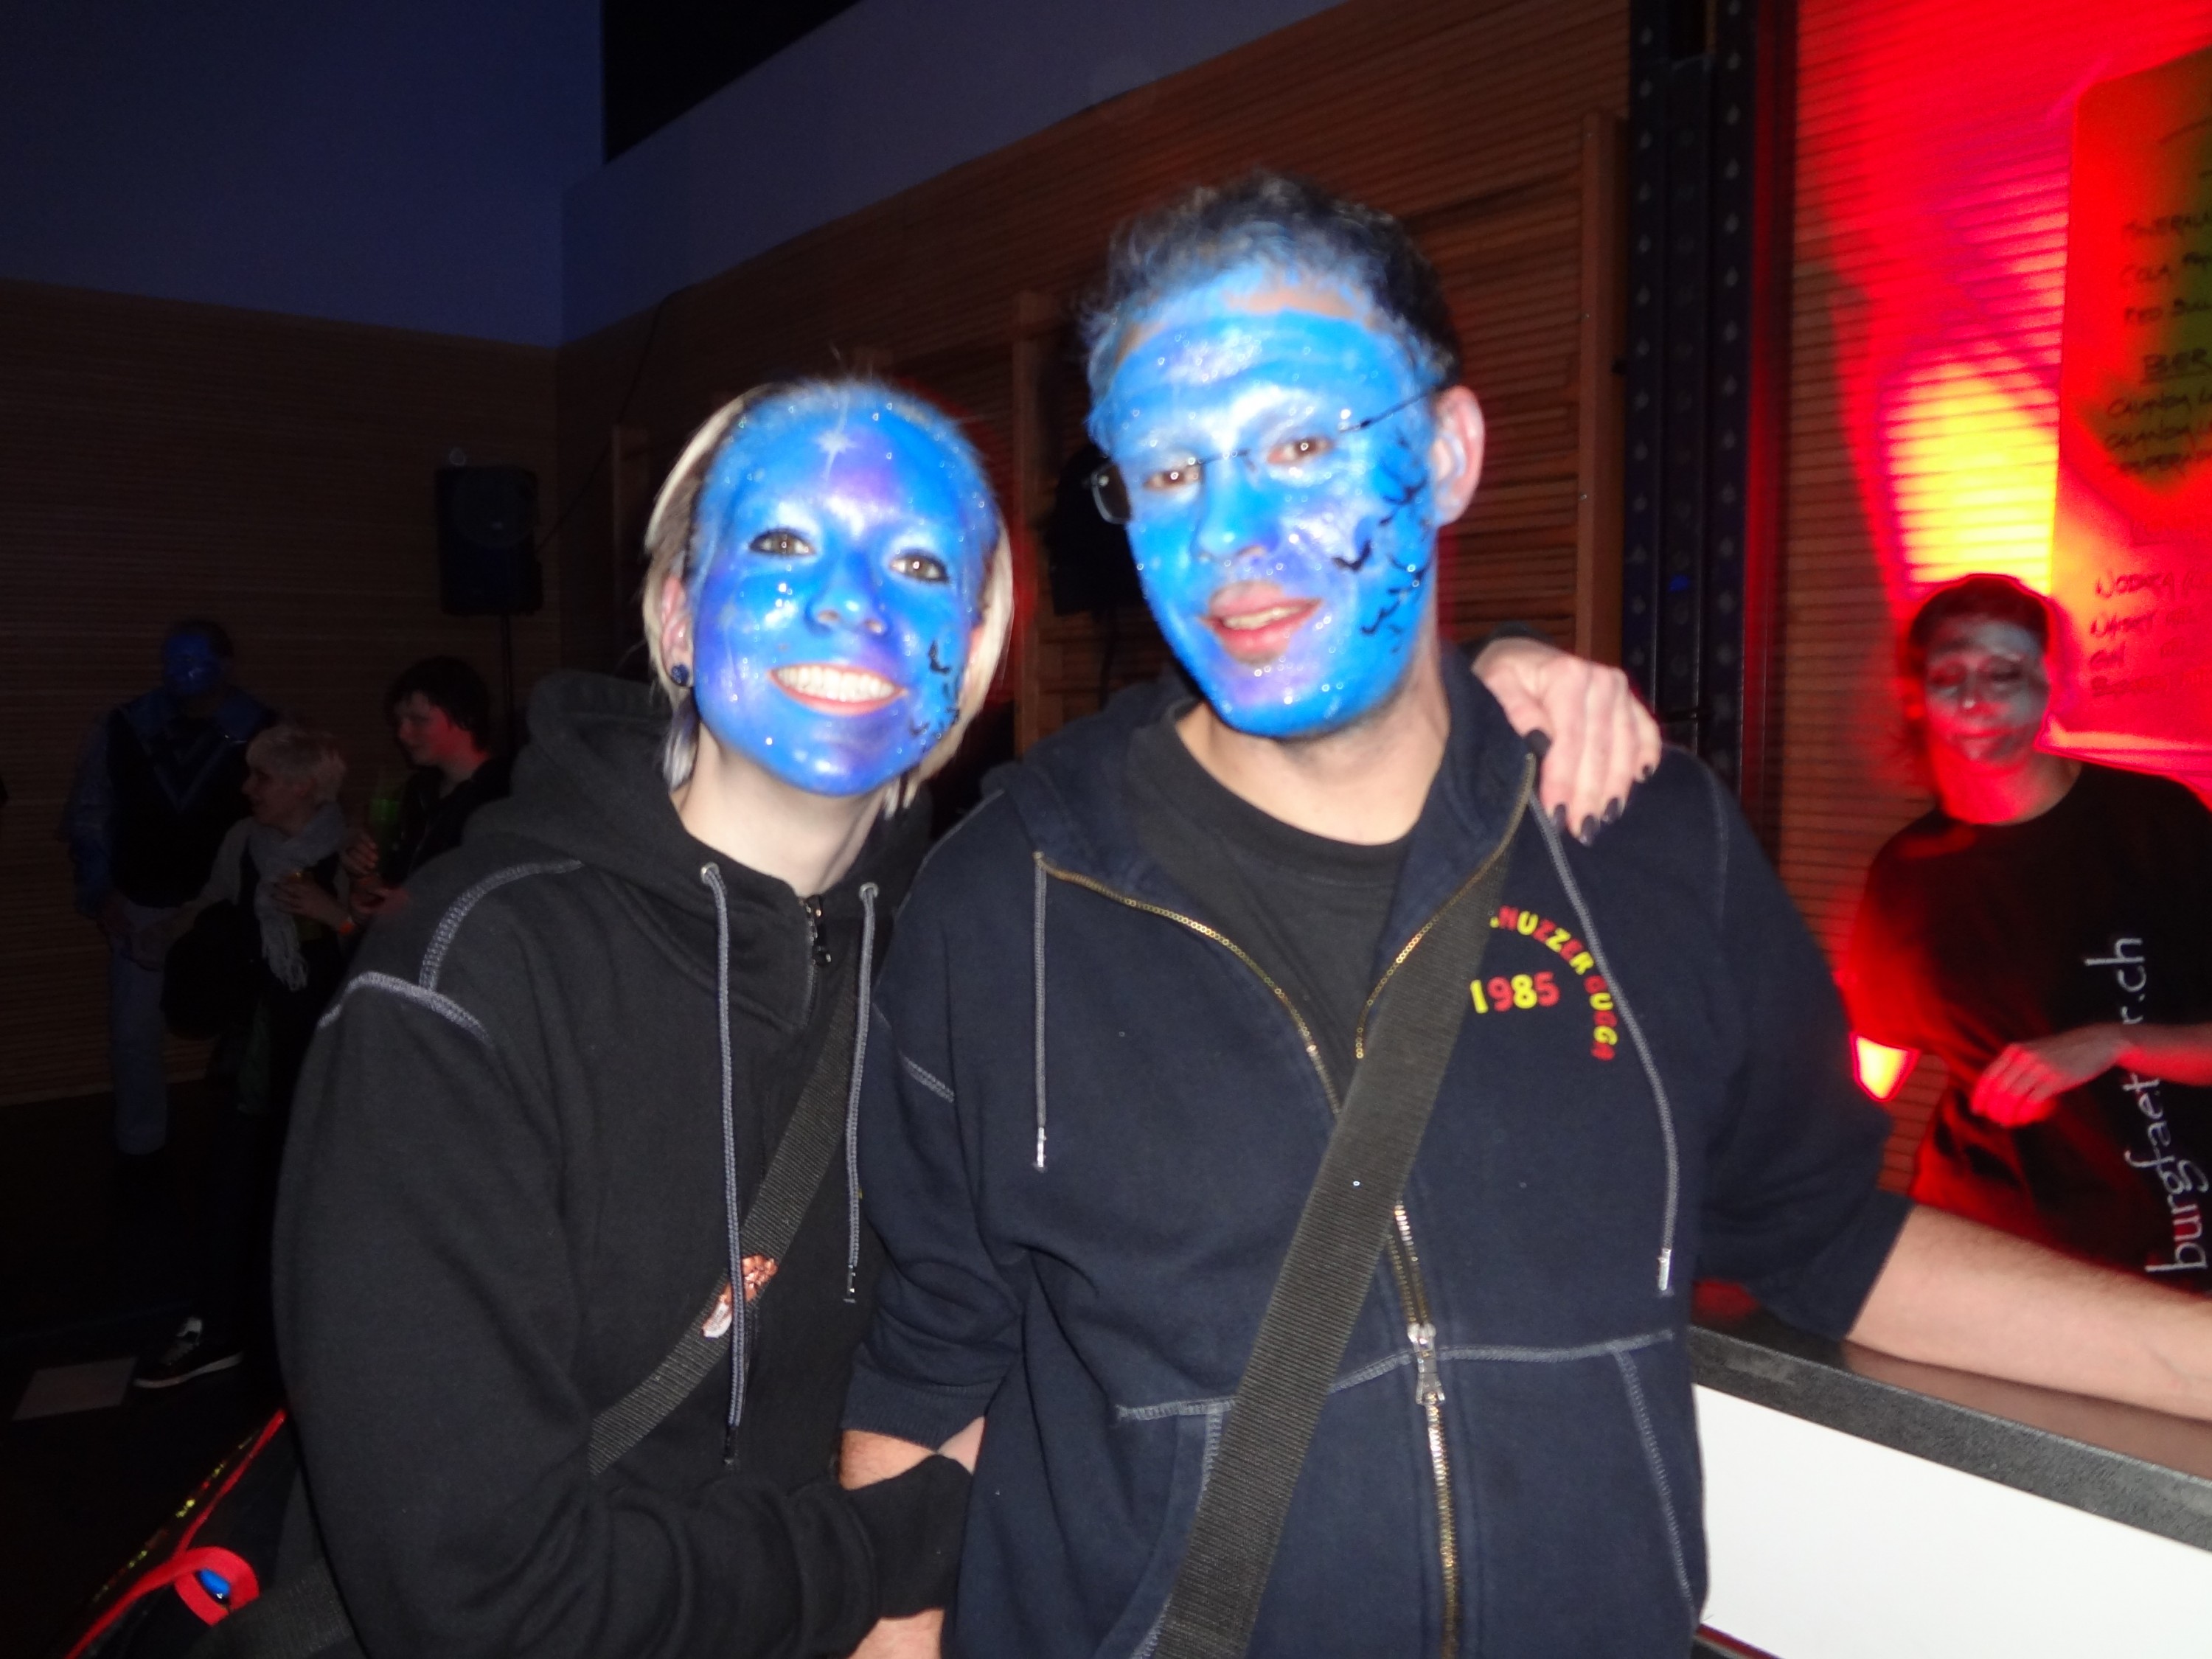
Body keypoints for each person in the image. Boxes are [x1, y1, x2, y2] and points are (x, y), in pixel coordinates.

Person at [838, 174, 2212, 1659]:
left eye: (1300, 445)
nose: (1232, 532)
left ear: (1447, 453)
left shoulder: (1643, 844)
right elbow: (926, 1377)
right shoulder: (1015, 899)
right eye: (1168, 472)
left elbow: (1829, 1236)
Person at [272, 371, 1649, 1659]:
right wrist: (908, 1538)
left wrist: (1469, 676)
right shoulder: (466, 984)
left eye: (922, 568)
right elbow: (483, 1605)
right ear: (678, 617)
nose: (853, 604)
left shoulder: (977, 936)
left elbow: (1204, 760)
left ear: (971, 657)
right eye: (784, 546)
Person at [1846, 574, 2212, 1280]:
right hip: (1980, 1229)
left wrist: (2114, 1041)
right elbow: (1878, 1053)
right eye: (1949, 676)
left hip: (2160, 1236)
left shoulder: (2155, 825)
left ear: (2054, 685)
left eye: (2004, 674)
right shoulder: (1905, 869)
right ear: (1915, 697)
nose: (1976, 700)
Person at [136, 723, 355, 1387]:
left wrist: (334, 914)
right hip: (261, 1033)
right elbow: (209, 906)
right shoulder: (243, 841)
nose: (247, 787)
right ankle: (222, 1324)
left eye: (263, 776)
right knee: (234, 1176)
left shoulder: (353, 847)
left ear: (304, 787)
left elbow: (387, 944)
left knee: (313, 1187)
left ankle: (304, 1330)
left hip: (331, 1039)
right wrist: (165, 939)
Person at [60, 619, 274, 1158]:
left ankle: (251, 1150)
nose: (180, 671)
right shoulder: (126, 725)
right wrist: (100, 887)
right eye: (172, 660)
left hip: (229, 907)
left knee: (247, 1032)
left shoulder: (264, 731)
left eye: (194, 660)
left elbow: (288, 820)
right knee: (133, 1035)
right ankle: (140, 1145)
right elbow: (91, 812)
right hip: (141, 899)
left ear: (226, 664)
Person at [345, 655, 513, 912]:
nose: (402, 734)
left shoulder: (503, 796)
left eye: (418, 720)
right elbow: (402, 882)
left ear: (466, 716)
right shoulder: (417, 792)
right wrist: (368, 882)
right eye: (399, 722)